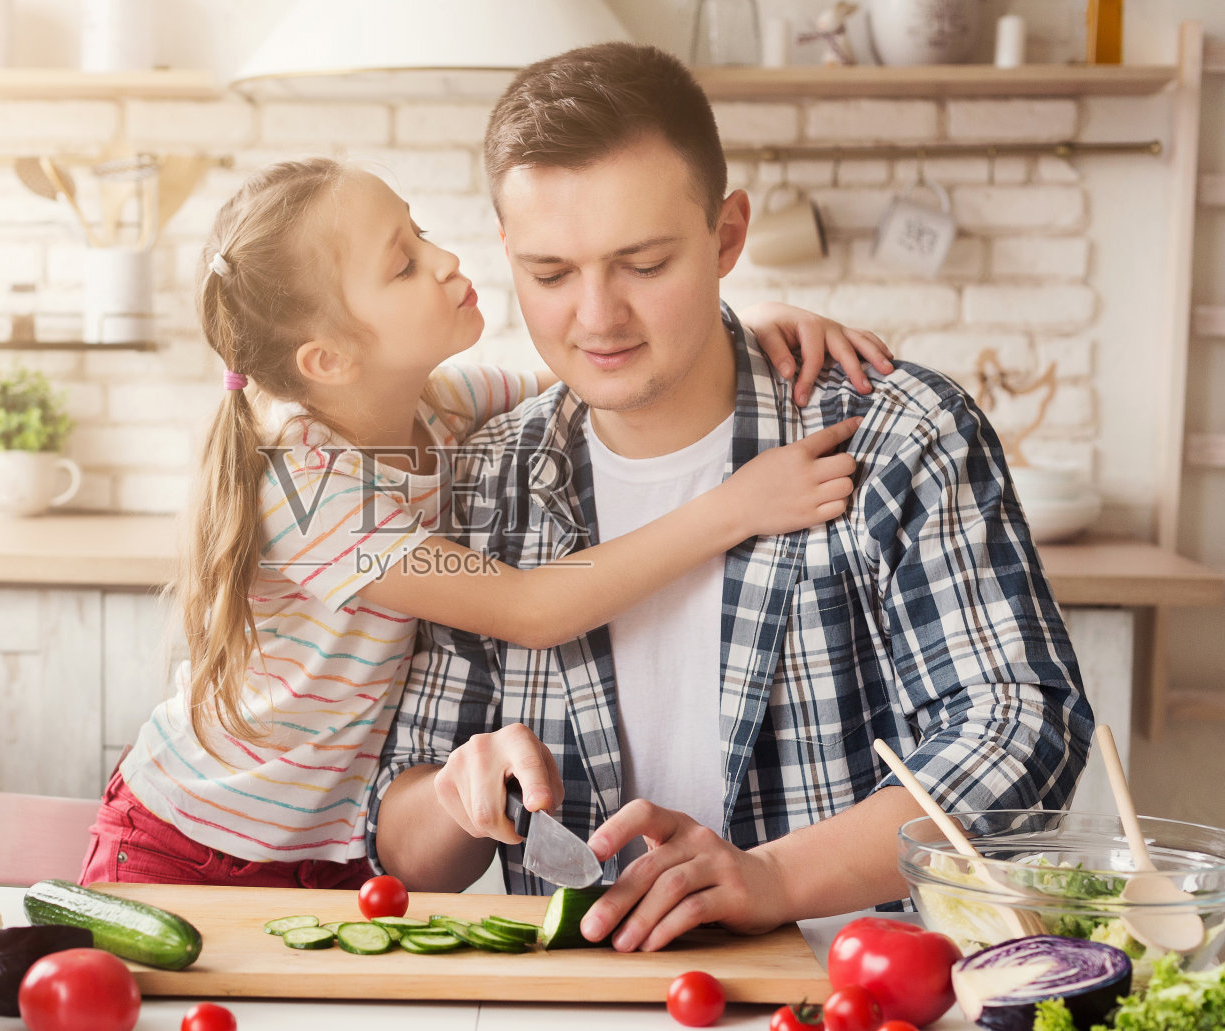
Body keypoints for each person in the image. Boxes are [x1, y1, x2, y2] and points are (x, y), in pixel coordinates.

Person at [367, 42, 1094, 950]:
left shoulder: (898, 434)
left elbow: (1025, 732)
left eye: (644, 263)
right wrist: (451, 793)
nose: (596, 317)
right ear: (508, 255)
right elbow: (399, 845)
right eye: (551, 274)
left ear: (726, 237)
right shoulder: (486, 475)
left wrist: (775, 876)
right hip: (582, 1002)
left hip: (853, 987)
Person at [82, 156, 893, 889]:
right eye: (402, 265)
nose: (445, 260)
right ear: (328, 360)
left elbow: (597, 357)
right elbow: (533, 607)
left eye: (421, 234)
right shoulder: (313, 493)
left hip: (324, 850)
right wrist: (738, 506)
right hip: (187, 843)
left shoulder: (437, 408)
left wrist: (740, 320)